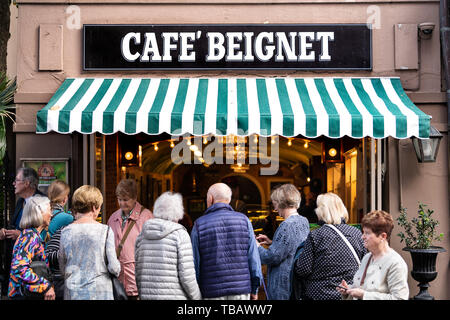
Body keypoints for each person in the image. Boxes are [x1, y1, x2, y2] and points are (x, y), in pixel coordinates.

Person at [191, 183, 263, 300]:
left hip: (211, 291)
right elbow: (253, 257)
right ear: (229, 200)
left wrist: (196, 291)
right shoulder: (244, 221)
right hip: (241, 289)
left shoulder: (199, 224)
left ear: (210, 199)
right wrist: (254, 288)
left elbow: (195, 262)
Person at [294, 192, 366, 300]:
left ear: (321, 211)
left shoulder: (316, 235)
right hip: (349, 295)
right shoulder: (357, 233)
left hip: (319, 295)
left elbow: (303, 269)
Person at [135, 192, 201, 300]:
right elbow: (187, 276)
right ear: (178, 212)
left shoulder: (142, 235)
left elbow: (138, 271)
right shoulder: (180, 234)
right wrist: (197, 297)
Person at [59, 185, 120, 300]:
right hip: (100, 292)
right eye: (99, 208)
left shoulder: (65, 231)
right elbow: (114, 268)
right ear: (93, 207)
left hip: (73, 291)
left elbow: (62, 265)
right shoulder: (105, 231)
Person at [337, 210, 409, 300]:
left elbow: (399, 298)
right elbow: (361, 288)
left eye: (367, 233)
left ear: (383, 236)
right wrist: (348, 291)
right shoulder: (367, 258)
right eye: (363, 232)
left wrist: (364, 295)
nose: (362, 237)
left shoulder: (395, 263)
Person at [256, 184, 310, 300]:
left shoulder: (286, 226)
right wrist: (272, 242)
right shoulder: (303, 221)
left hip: (282, 286)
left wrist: (257, 247)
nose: (274, 209)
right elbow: (294, 246)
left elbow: (272, 257)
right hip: (294, 283)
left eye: (275, 203)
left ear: (281, 202)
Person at [0, 167, 44, 293]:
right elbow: (16, 225)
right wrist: (5, 231)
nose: (13, 183)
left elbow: (47, 232)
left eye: (17, 180)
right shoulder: (20, 202)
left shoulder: (42, 201)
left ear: (27, 183)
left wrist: (21, 235)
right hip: (15, 266)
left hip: (31, 267)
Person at [107, 179, 153, 299]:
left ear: (135, 198)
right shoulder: (113, 218)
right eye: (119, 199)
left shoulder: (146, 217)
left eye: (126, 200)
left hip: (138, 282)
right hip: (118, 282)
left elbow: (153, 250)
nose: (122, 203)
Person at [7, 195, 55, 300]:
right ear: (39, 213)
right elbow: (19, 268)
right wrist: (45, 285)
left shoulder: (31, 235)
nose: (51, 214)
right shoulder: (29, 237)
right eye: (49, 210)